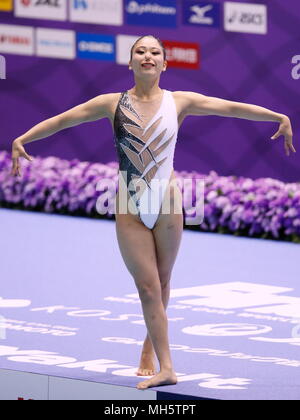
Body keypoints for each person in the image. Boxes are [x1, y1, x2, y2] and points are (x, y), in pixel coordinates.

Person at [10, 35, 296, 390]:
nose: (148, 56)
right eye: (140, 52)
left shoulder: (180, 102)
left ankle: (151, 348)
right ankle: (168, 367)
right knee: (146, 287)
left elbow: (230, 106)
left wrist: (277, 116)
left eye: (155, 52)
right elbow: (65, 120)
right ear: (130, 63)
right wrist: (23, 138)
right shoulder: (111, 103)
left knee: (161, 283)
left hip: (167, 203)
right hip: (129, 205)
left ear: (164, 64)